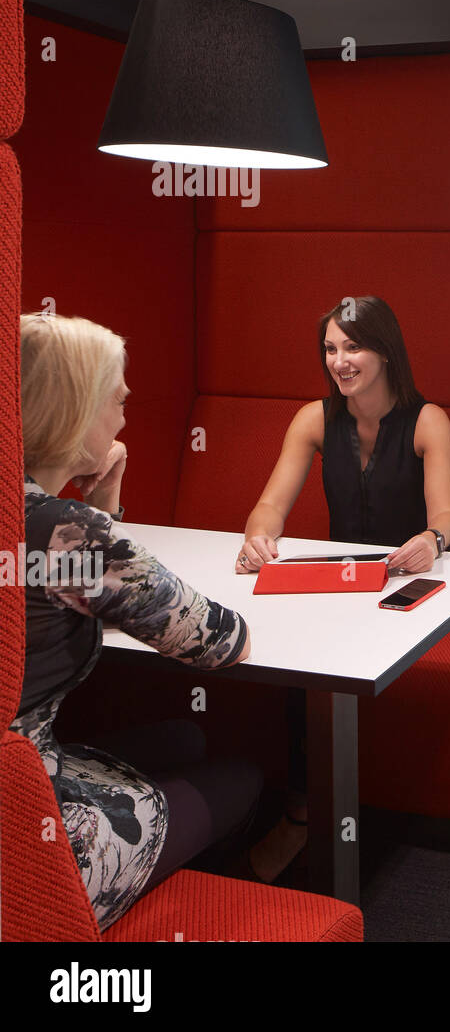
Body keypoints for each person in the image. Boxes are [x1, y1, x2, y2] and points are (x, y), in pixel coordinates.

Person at [14, 313, 260, 930]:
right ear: (73, 409)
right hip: (23, 843)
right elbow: (222, 641)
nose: (124, 420)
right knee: (242, 776)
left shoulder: (39, 519)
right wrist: (98, 517)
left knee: (187, 738)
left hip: (17, 768)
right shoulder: (69, 535)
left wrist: (93, 505)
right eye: (116, 403)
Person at [235, 295, 450, 879]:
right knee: (289, 658)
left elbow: (447, 514)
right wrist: (259, 537)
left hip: (401, 592)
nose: (340, 361)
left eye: (353, 347)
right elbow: (268, 505)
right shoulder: (314, 419)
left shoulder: (427, 419)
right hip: (338, 587)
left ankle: (309, 821)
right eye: (331, 349)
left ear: (385, 351)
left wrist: (432, 539)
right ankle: (302, 816)